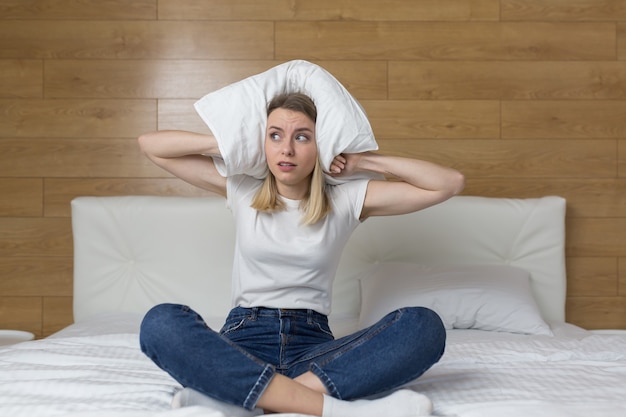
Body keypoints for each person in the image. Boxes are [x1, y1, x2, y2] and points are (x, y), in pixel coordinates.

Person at [138, 92, 465, 417]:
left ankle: (243, 398)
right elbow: (151, 145)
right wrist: (233, 145)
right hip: (242, 341)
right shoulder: (242, 188)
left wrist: (362, 161)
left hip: (313, 348)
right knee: (161, 322)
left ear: (320, 145)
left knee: (423, 326)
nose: (287, 149)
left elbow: (448, 183)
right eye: (275, 136)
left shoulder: (346, 200)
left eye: (303, 137)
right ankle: (335, 409)